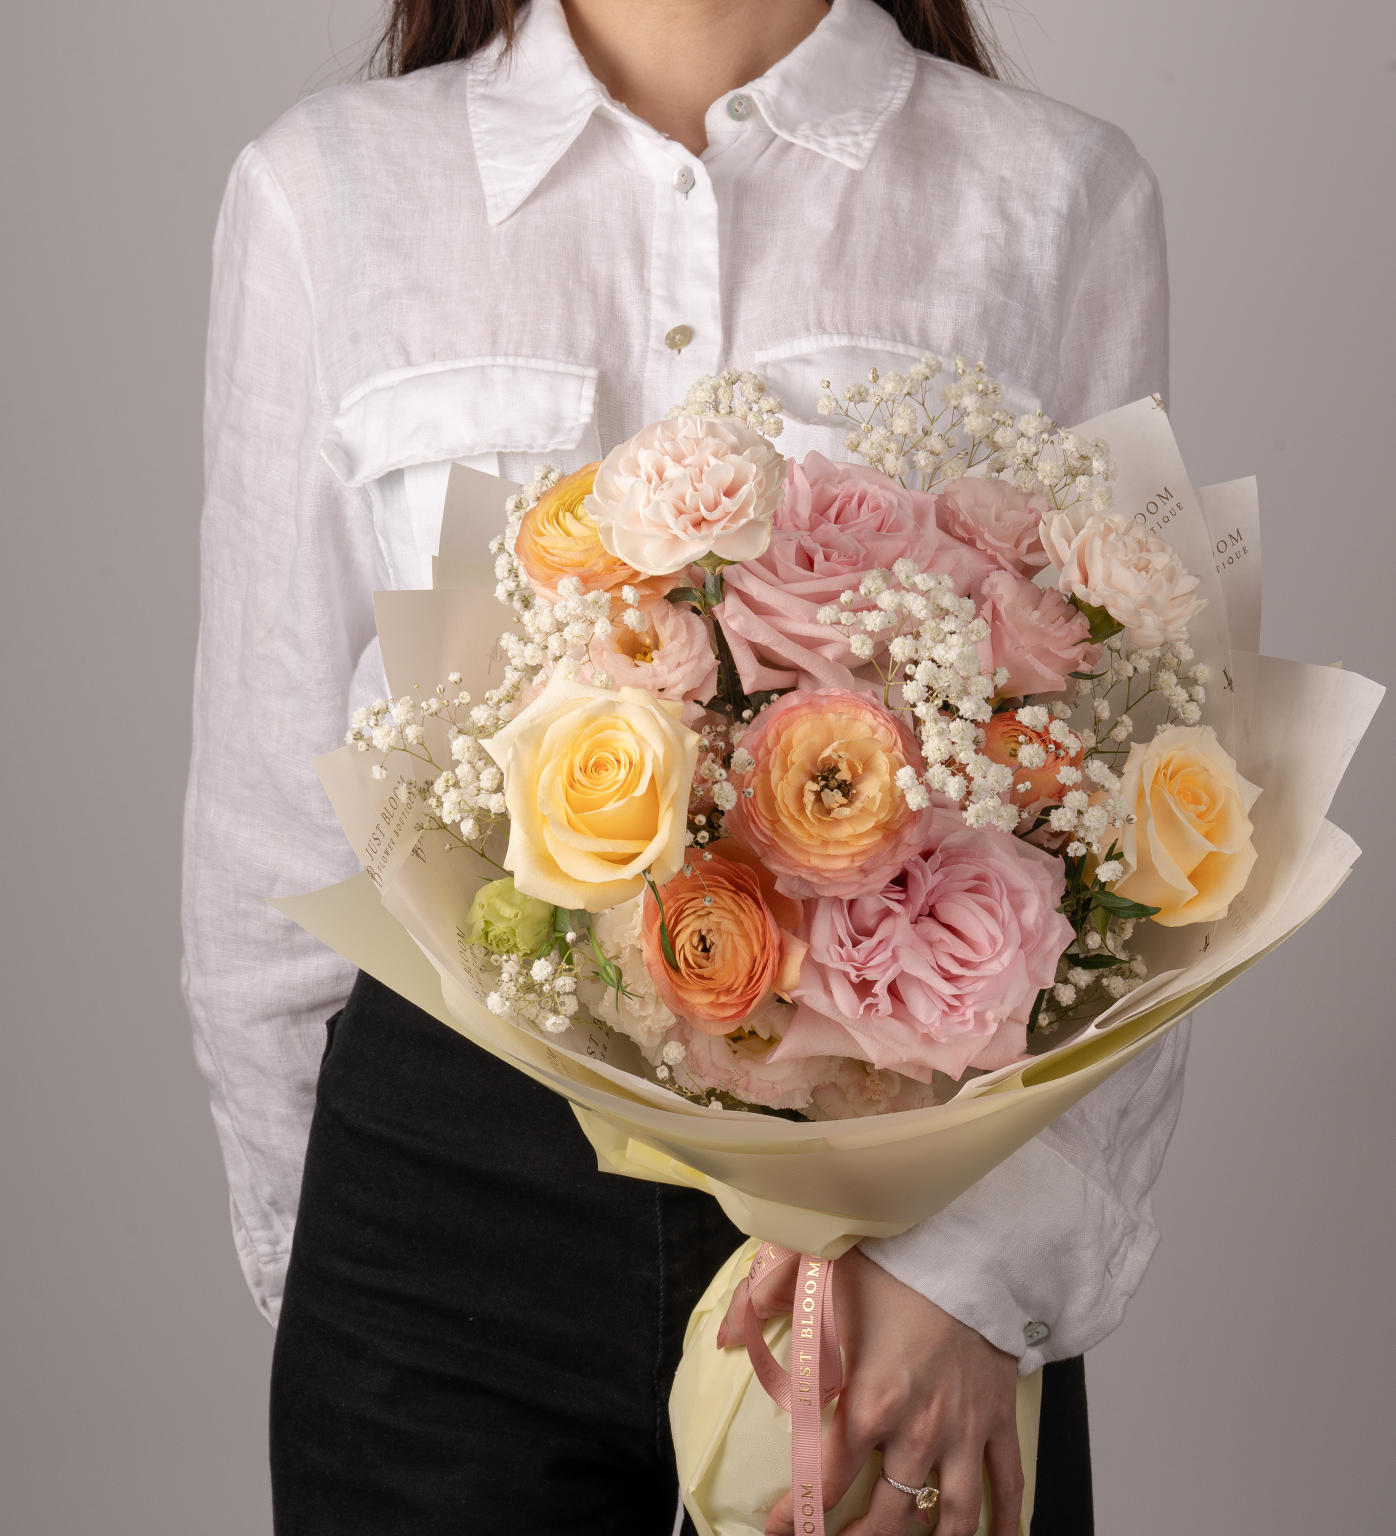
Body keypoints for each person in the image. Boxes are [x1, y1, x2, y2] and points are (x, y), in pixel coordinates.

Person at [182, 1, 1189, 1532]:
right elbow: (268, 807)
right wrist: (336, 1266)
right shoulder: (327, 189)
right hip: (439, 1192)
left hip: (907, 1202)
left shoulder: (1050, 191)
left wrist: (985, 1277)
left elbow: (1152, 795)